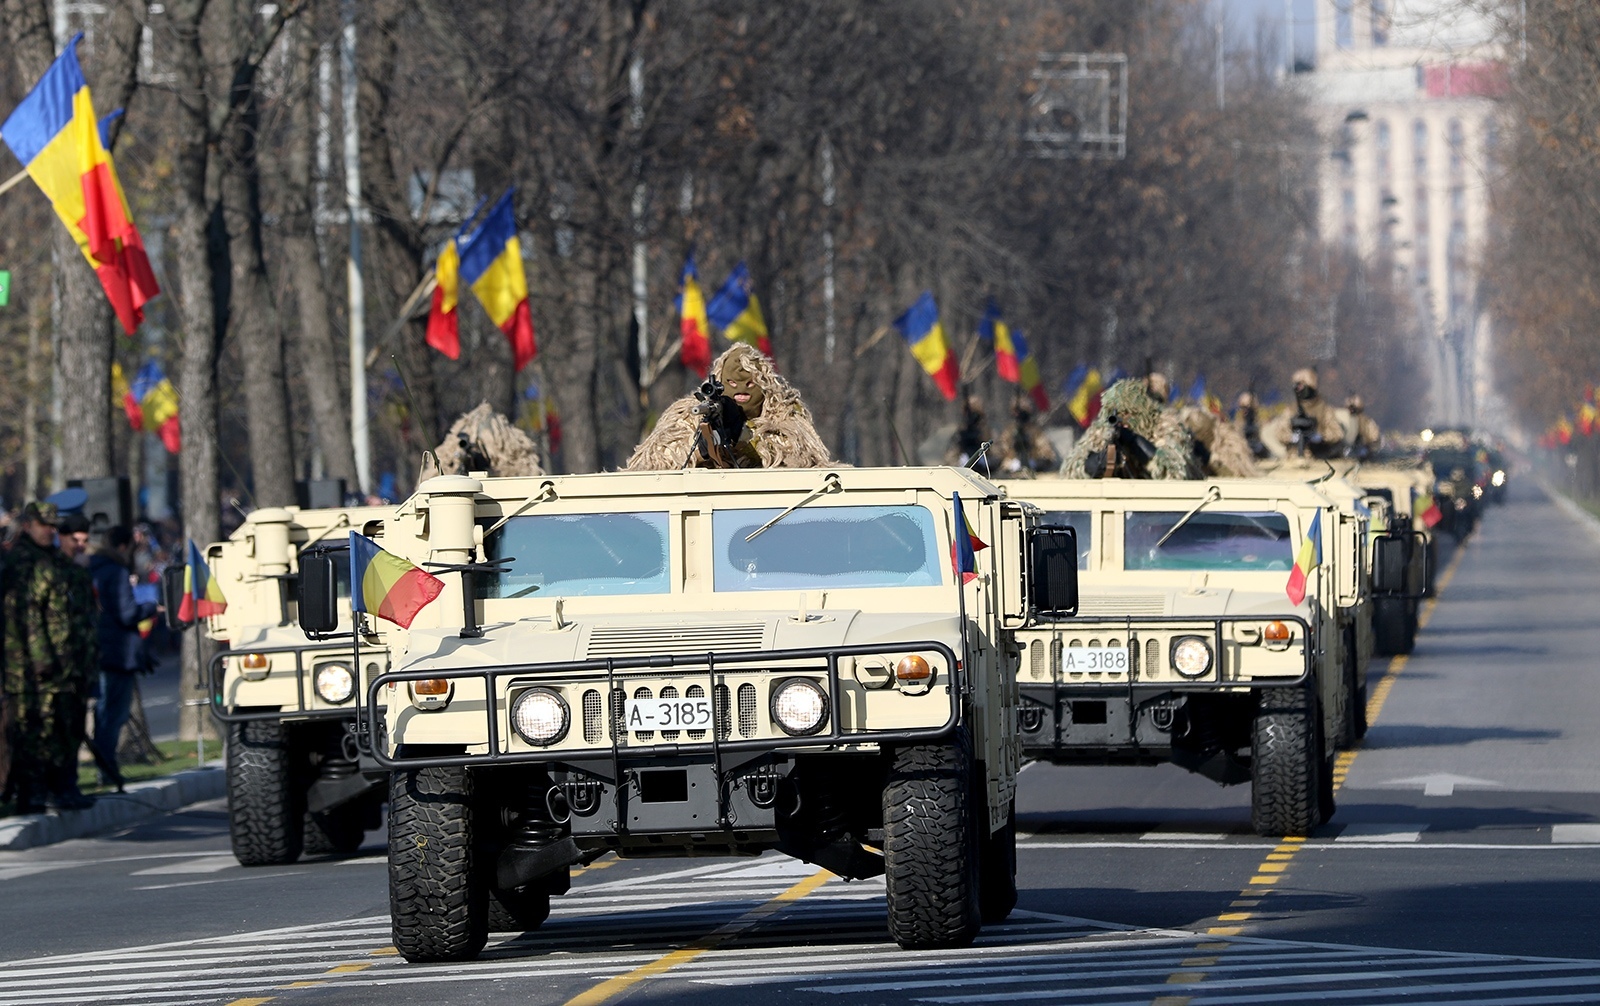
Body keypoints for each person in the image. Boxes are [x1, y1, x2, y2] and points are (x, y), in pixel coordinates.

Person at [1, 503, 96, 812]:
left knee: (64, 729)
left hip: (62, 665)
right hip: (29, 667)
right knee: (34, 732)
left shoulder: (52, 561)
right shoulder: (21, 562)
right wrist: (41, 662)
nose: (50, 531)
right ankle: (32, 794)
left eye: (53, 526)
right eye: (44, 525)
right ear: (28, 525)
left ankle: (62, 788)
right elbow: (26, 620)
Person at [627, 343, 831, 470]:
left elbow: (801, 457)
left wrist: (746, 442)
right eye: (732, 385)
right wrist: (701, 450)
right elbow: (652, 461)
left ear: (765, 386)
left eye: (751, 385)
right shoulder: (691, 413)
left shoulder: (785, 415)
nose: (741, 391)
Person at [90, 526, 156, 786]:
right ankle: (107, 766)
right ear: (124, 546)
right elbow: (127, 613)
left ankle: (102, 766)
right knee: (113, 713)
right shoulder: (116, 571)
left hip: (99, 649)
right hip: (118, 651)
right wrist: (150, 607)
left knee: (103, 711)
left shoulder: (91, 568)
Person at [1062, 377, 1200, 480]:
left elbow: (1176, 473)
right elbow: (1068, 472)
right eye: (1117, 414)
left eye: (1129, 414)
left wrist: (1135, 442)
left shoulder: (1164, 425)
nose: (1123, 421)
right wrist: (1096, 463)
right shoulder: (1104, 430)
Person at [1262, 367, 1347, 459]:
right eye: (1298, 385)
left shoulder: (1324, 410)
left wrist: (1320, 437)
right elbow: (1280, 432)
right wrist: (1292, 437)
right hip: (1293, 457)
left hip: (1320, 456)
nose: (1300, 389)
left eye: (1303, 385)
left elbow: (1337, 433)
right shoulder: (1291, 410)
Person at [994, 398, 1060, 477]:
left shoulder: (1035, 432)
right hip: (1011, 470)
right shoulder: (1008, 432)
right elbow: (1000, 451)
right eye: (1017, 411)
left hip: (1034, 469)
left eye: (1023, 411)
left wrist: (1034, 461)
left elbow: (1047, 453)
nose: (1020, 414)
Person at [943, 394, 993, 468]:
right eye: (969, 411)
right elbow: (950, 456)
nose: (972, 415)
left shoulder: (987, 429)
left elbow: (997, 453)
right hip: (963, 467)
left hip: (985, 468)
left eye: (975, 411)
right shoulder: (960, 430)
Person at [1344, 394, 1382, 459]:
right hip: (1348, 449)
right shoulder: (1345, 420)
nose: (1351, 411)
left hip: (1363, 450)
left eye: (1353, 409)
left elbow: (1374, 438)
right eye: (1350, 408)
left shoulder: (1367, 422)